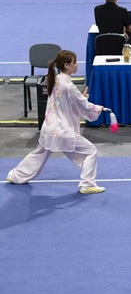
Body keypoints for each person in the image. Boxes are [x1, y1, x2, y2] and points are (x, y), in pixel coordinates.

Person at [6, 50, 107, 195]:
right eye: (74, 62)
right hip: (63, 131)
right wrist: (98, 108)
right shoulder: (69, 86)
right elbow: (84, 106)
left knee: (39, 153)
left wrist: (81, 98)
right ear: (67, 65)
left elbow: (67, 101)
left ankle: (16, 175)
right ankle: (87, 184)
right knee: (91, 151)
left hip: (49, 129)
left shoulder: (55, 80)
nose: (77, 65)